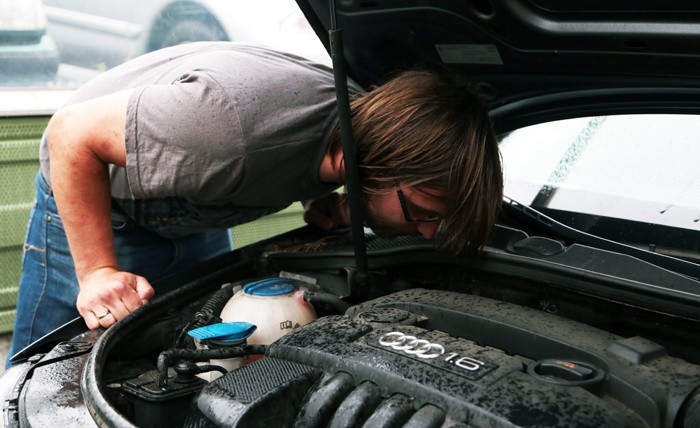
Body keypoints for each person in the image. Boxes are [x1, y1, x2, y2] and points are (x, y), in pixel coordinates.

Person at [8, 41, 502, 364]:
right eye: (425, 214)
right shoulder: (229, 130)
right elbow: (70, 135)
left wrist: (334, 205)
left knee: (193, 348)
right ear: (375, 167)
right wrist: (96, 271)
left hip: (193, 211)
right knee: (56, 365)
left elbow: (308, 151)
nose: (430, 233)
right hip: (100, 200)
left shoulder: (361, 129)